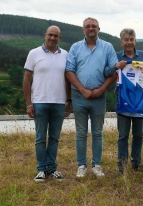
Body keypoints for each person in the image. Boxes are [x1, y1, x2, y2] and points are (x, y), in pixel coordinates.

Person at [65, 17, 123, 178]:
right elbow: (69, 71)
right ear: (83, 29)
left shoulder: (107, 47)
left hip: (99, 96)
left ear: (99, 29)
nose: (91, 29)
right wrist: (82, 89)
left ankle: (96, 165)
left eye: (94, 26)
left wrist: (102, 89)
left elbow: (113, 71)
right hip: (79, 95)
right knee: (81, 133)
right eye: (88, 26)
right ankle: (81, 166)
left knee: (97, 132)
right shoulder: (75, 47)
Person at [23, 25, 71, 182]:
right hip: (40, 102)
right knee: (40, 138)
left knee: (55, 138)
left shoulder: (65, 54)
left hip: (59, 102)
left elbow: (67, 80)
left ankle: (52, 168)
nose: (52, 38)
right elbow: (26, 80)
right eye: (50, 35)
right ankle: (41, 169)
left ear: (60, 38)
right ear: (45, 35)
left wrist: (68, 100)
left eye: (56, 36)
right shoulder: (34, 53)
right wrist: (29, 104)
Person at [116, 28, 143, 174]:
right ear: (121, 41)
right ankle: (122, 166)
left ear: (135, 40)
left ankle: (136, 163)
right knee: (122, 135)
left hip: (141, 102)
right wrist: (116, 66)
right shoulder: (116, 56)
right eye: (126, 40)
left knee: (138, 135)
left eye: (131, 39)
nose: (129, 42)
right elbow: (107, 73)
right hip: (123, 101)